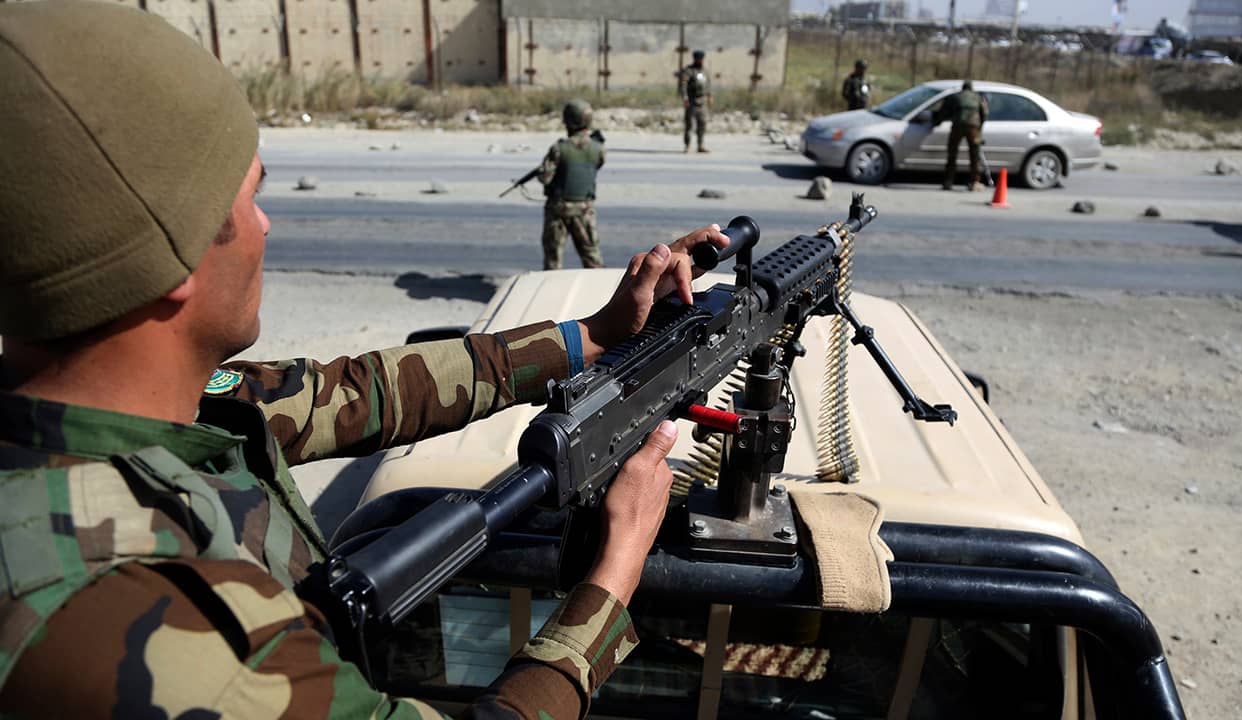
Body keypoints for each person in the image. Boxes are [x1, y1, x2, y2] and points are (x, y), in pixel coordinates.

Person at [0, 3, 730, 718]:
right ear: (173, 258)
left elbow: (359, 393)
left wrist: (594, 333)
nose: (265, 225)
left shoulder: (153, 403)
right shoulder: (164, 644)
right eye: (252, 197)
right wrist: (612, 581)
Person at [537, 99, 605, 270]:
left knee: (553, 258)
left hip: (558, 209)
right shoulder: (598, 148)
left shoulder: (559, 149)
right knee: (591, 256)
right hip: (584, 209)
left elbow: (545, 177)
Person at [933, 80, 989, 191]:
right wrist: (979, 127)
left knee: (952, 154)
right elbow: (985, 112)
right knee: (974, 155)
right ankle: (974, 182)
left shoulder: (955, 97)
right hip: (973, 127)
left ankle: (948, 182)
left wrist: (936, 122)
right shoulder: (978, 97)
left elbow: (944, 111)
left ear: (962, 88)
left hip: (958, 126)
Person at [679, 49, 713, 153]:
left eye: (702, 59)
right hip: (691, 100)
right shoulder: (688, 71)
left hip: (702, 101)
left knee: (702, 124)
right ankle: (687, 145)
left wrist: (710, 96)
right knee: (689, 124)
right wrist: (685, 98)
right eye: (699, 59)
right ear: (695, 59)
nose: (701, 61)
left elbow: (708, 84)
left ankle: (700, 145)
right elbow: (683, 85)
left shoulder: (704, 71)